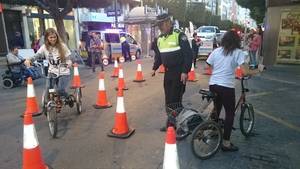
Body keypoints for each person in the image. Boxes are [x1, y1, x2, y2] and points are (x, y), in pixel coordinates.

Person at [206, 30, 263, 152]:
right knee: (230, 113)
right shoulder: (238, 53)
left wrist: (219, 69)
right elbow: (245, 71)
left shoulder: (216, 51)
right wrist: (259, 70)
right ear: (237, 41)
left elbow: (208, 66)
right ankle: (226, 143)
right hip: (226, 87)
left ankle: (213, 130)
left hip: (213, 84)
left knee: (217, 108)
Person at [151, 13, 193, 132]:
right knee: (169, 100)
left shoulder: (179, 35)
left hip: (179, 73)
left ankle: (181, 125)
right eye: (158, 25)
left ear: (168, 22)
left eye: (161, 24)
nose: (160, 27)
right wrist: (155, 68)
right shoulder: (160, 39)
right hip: (168, 74)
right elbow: (159, 56)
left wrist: (185, 71)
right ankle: (171, 123)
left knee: (176, 101)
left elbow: (188, 55)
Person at [25, 28, 73, 107]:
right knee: (48, 88)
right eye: (51, 37)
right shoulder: (44, 47)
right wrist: (29, 60)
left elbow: (68, 58)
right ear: (47, 38)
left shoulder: (62, 46)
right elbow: (37, 55)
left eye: (54, 37)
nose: (53, 39)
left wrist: (69, 63)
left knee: (60, 90)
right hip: (52, 71)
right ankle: (49, 106)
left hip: (63, 71)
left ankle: (68, 97)